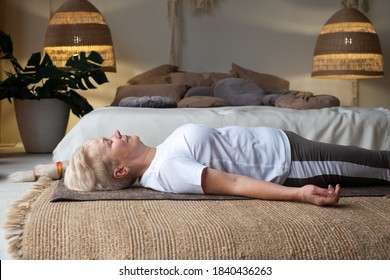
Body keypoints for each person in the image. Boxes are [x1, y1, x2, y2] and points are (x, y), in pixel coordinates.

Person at [61, 123, 390, 207]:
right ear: (120, 170)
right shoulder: (168, 171)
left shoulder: (158, 157)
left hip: (286, 145)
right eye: (109, 142)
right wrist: (300, 195)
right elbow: (233, 184)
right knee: (382, 165)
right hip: (293, 162)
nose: (115, 133)